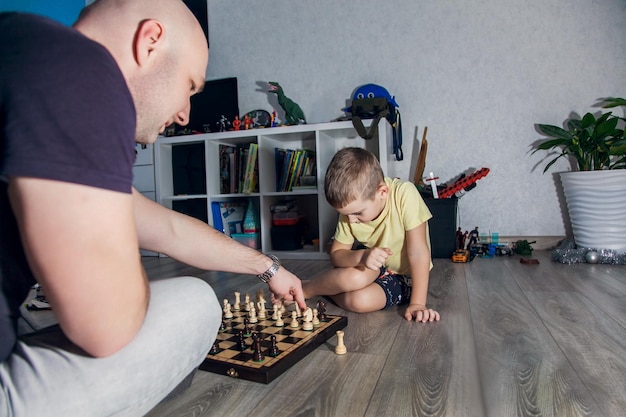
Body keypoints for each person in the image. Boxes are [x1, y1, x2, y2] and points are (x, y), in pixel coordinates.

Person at [0, 1, 305, 416]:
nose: (184, 115)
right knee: (196, 304)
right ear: (151, 42)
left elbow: (168, 229)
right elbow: (106, 328)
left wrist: (267, 267)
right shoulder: (80, 69)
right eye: (190, 86)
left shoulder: (27, 50)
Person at [303, 148, 440, 323]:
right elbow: (337, 256)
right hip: (371, 259)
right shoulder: (352, 209)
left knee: (359, 301)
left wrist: (418, 304)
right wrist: (363, 256)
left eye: (358, 213)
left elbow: (419, 253)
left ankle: (325, 288)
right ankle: (307, 288)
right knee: (355, 277)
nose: (351, 221)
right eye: (346, 214)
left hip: (404, 277)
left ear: (382, 192)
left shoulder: (405, 194)